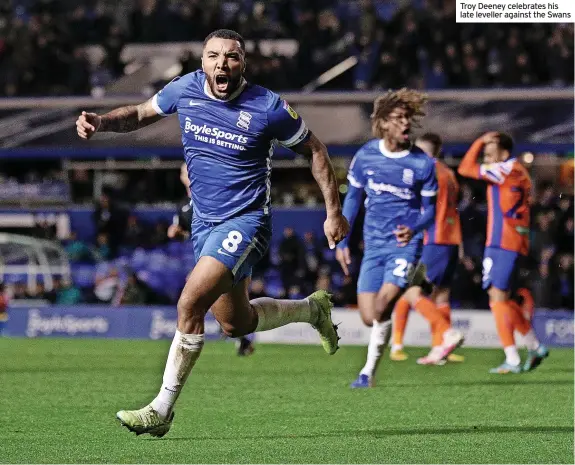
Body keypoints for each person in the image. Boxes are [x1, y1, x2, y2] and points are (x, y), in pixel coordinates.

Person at [76, 29, 349, 437]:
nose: (221, 64)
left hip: (247, 222)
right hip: (205, 225)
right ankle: (313, 310)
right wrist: (101, 121)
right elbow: (139, 113)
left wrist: (333, 211)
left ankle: (161, 410)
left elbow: (315, 150)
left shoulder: (268, 106)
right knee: (236, 323)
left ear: (243, 64)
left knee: (190, 302)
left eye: (231, 57)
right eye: (213, 56)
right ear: (202, 61)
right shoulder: (185, 88)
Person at [335, 89, 464, 389]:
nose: (405, 123)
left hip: (405, 244)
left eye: (407, 118)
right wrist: (342, 241)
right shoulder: (366, 156)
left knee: (381, 308)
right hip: (373, 245)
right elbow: (352, 201)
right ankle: (415, 279)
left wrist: (415, 227)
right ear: (382, 124)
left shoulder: (422, 164)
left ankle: (367, 373)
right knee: (369, 316)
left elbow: (430, 212)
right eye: (397, 118)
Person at [458, 131, 548, 374]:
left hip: (504, 241)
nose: (486, 153)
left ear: (504, 152)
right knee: (503, 299)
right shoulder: (514, 170)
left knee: (497, 299)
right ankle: (534, 346)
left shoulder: (506, 170)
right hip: (506, 240)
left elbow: (466, 168)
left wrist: (477, 140)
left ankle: (513, 357)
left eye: (490, 148)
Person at [390, 133, 465, 365]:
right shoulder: (449, 173)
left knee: (411, 290)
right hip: (450, 240)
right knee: (441, 294)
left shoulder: (427, 172)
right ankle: (439, 349)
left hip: (433, 239)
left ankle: (445, 333)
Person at [169, 162, 256, 356]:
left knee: (199, 294)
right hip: (201, 256)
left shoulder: (210, 197)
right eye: (184, 172)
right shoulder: (182, 206)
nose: (188, 174)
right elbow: (183, 232)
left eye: (190, 170)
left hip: (222, 253)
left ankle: (226, 330)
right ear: (182, 177)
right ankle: (237, 335)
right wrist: (176, 232)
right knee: (213, 299)